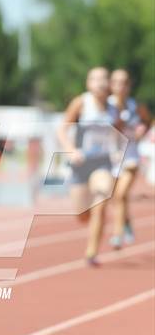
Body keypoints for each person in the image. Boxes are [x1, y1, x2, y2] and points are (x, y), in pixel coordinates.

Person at [58, 67, 119, 266]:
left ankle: (91, 252)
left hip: (102, 162)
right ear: (88, 83)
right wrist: (71, 150)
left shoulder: (113, 108)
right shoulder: (82, 102)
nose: (100, 82)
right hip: (80, 163)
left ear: (109, 84)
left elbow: (118, 132)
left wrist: (119, 147)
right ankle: (89, 218)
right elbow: (62, 129)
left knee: (101, 203)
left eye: (104, 78)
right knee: (82, 214)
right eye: (95, 78)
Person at [108, 69, 152, 248]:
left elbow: (147, 121)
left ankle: (117, 234)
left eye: (124, 82)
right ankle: (127, 223)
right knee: (115, 197)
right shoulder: (107, 105)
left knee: (121, 194)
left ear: (129, 85)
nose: (121, 86)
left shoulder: (135, 105)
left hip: (131, 156)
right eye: (117, 82)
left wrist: (143, 130)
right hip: (110, 157)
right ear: (111, 84)